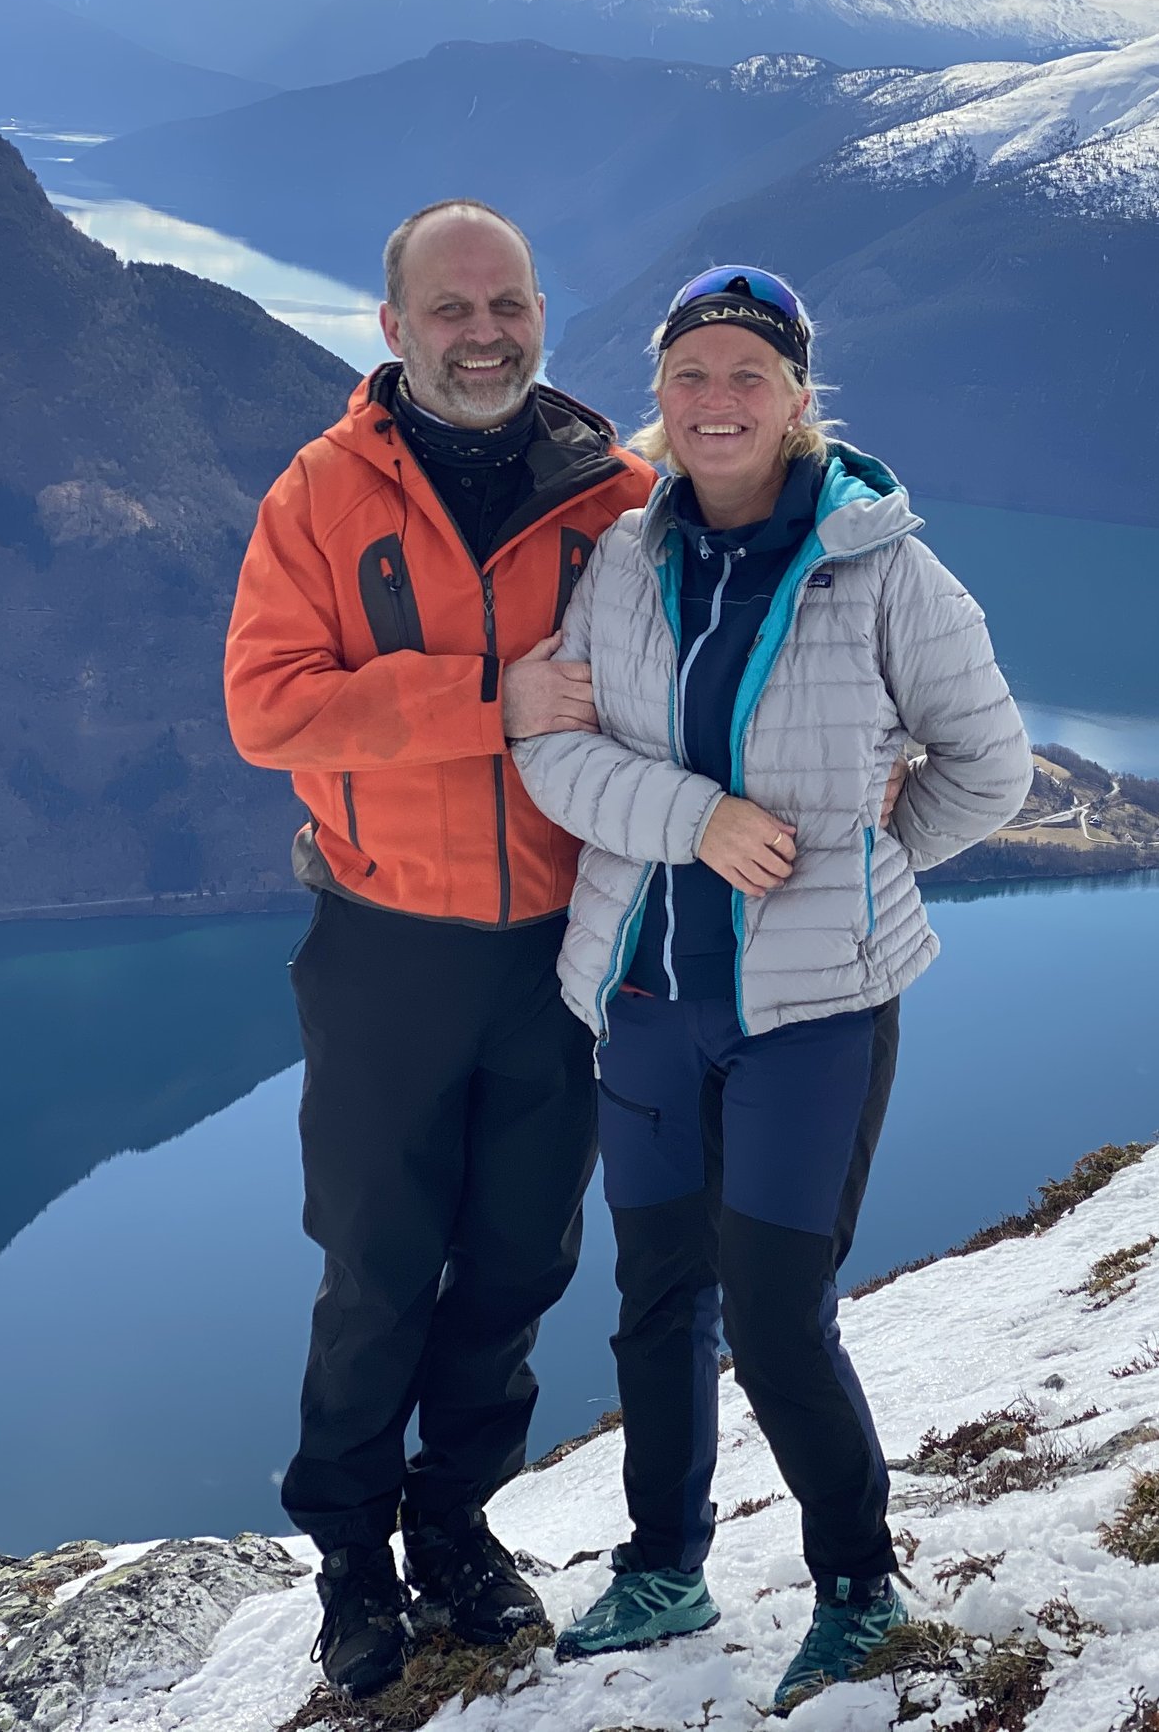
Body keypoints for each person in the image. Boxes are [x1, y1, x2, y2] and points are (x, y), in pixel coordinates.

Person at [512, 266, 1031, 1713]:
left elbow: (992, 768)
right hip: (646, 1002)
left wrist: (857, 874)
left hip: (812, 1018)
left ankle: (858, 1586)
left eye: (749, 375)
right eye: (691, 377)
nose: (718, 402)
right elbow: (548, 752)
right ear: (659, 404)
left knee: (780, 1310)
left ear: (802, 399)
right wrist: (699, 823)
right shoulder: (622, 557)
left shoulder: (886, 572)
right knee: (656, 1296)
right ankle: (664, 1566)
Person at [222, 200, 655, 1699]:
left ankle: (457, 1526)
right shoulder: (323, 495)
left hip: (561, 949)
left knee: (519, 1265)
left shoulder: (619, 498)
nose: (484, 333)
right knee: (377, 1268)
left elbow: (719, 664)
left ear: (543, 313)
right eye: (451, 309)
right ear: (393, 328)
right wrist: (488, 694)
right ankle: (350, 1560)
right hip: (387, 946)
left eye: (508, 304)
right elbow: (268, 709)